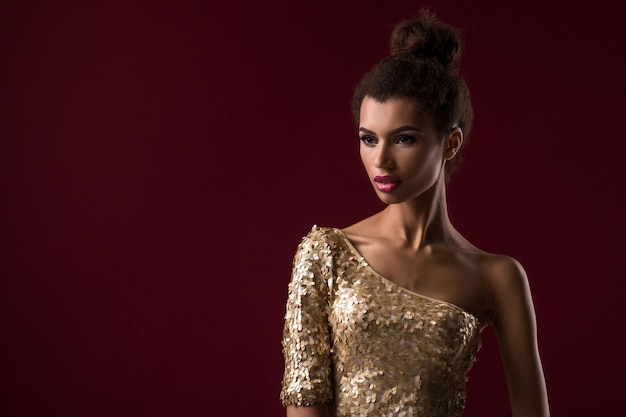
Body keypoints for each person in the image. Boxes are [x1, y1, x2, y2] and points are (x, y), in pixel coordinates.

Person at [280, 10, 549, 417]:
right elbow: (304, 401)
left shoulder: (498, 276)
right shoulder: (325, 255)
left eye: (403, 139)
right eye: (368, 139)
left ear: (450, 143)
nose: (381, 159)